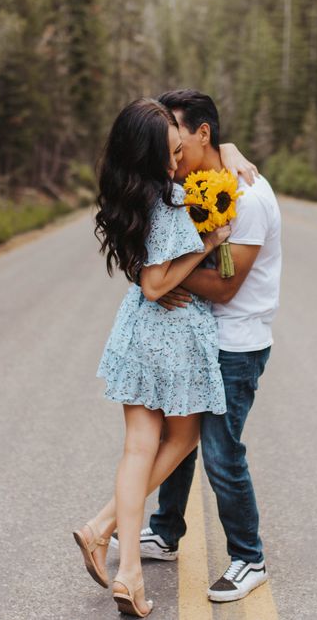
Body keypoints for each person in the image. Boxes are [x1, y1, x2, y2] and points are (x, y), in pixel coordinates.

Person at [72, 97, 243, 617]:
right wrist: (208, 240)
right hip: (171, 332)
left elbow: (141, 274)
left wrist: (229, 148)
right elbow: (154, 284)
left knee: (137, 447)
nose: (177, 163)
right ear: (151, 156)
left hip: (137, 335)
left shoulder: (132, 195)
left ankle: (108, 539)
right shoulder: (168, 202)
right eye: (170, 154)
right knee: (183, 437)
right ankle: (121, 560)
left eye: (178, 150)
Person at [111, 89, 282, 604]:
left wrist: (158, 279)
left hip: (237, 341)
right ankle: (165, 530)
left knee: (221, 452)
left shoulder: (245, 196)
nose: (172, 154)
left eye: (176, 139)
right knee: (174, 435)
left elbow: (226, 287)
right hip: (201, 334)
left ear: (201, 133)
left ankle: (248, 557)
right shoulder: (193, 181)